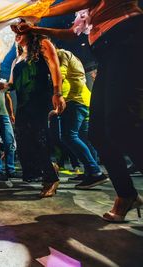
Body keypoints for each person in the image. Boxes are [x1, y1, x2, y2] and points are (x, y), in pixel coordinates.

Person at [15, 0, 143, 221]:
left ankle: (117, 188)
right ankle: (126, 193)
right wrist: (35, 27)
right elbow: (73, 33)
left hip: (127, 38)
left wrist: (38, 12)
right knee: (97, 133)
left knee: (119, 124)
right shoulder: (87, 16)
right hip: (107, 54)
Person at [0, 28, 66, 197]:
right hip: (23, 104)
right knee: (24, 142)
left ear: (30, 30)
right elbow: (12, 84)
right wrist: (2, 86)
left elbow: (54, 66)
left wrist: (57, 93)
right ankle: (49, 169)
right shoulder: (16, 60)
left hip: (40, 99)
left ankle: (51, 178)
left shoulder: (43, 44)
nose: (17, 34)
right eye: (14, 32)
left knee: (39, 139)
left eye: (20, 29)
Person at [56, 48, 108, 188]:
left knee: (68, 136)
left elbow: (60, 76)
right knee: (85, 138)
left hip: (74, 100)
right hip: (84, 99)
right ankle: (90, 171)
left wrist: (59, 98)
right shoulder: (73, 56)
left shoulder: (60, 54)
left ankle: (94, 172)